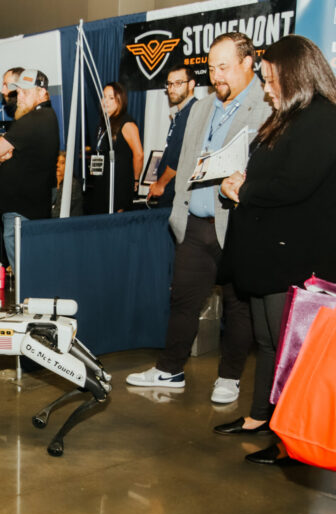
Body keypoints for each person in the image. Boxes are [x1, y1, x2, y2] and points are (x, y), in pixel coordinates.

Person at [216, 35, 336, 463]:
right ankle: (261, 416)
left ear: (295, 75)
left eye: (270, 78)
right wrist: (239, 181)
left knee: (293, 351)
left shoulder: (326, 118)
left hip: (298, 257)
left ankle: (294, 439)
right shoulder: (290, 117)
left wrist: (245, 190)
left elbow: (294, 184)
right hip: (270, 255)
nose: (265, 88)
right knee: (269, 341)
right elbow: (267, 173)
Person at [125, 32, 266, 407]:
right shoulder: (202, 108)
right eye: (211, 68)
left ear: (248, 63)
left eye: (224, 67)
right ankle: (170, 369)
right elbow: (186, 161)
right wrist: (179, 213)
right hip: (194, 222)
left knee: (238, 307)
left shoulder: (267, 106)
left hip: (235, 225)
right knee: (182, 301)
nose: (216, 76)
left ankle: (229, 377)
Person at [0, 68, 60, 269]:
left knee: (23, 268)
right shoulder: (45, 117)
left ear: (42, 92)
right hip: (28, 206)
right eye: (18, 92)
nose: (20, 97)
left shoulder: (34, 119)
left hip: (21, 209)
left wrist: (1, 149)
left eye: (25, 92)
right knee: (30, 265)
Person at [83, 82, 143, 214]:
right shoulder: (104, 123)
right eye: (104, 97)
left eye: (111, 98)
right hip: (103, 181)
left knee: (116, 221)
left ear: (120, 100)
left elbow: (139, 154)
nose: (105, 101)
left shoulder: (127, 123)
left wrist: (135, 180)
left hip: (119, 184)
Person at [147, 66, 197, 206]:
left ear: (191, 84)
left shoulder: (192, 112)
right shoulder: (180, 114)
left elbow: (178, 158)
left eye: (178, 83)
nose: (172, 88)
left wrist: (160, 184)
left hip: (178, 194)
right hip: (172, 192)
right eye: (169, 84)